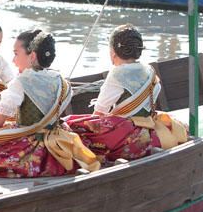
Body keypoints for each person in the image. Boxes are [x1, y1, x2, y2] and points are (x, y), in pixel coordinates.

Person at [0, 30, 101, 178]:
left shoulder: (21, 82)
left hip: (30, 148)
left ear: (33, 56)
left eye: (16, 54)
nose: (13, 60)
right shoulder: (62, 82)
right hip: (60, 143)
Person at [63, 25, 188, 163]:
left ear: (113, 52)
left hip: (126, 137)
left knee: (70, 124)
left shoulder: (117, 74)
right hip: (150, 132)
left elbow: (99, 112)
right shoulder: (151, 72)